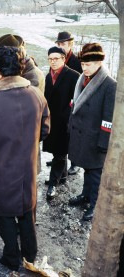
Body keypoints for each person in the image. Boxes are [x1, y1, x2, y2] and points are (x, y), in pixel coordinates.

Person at [0, 46, 50, 271]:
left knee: (2, 212)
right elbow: (45, 129)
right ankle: (30, 254)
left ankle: (11, 256)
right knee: (26, 210)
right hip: (27, 167)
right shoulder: (36, 94)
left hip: (0, 169)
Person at [0, 34, 45, 220]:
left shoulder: (32, 75)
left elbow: (33, 119)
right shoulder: (11, 69)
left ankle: (25, 225)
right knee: (5, 187)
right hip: (7, 145)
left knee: (25, 193)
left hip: (22, 145)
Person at [68, 43, 116, 220]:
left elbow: (108, 118)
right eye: (83, 64)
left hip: (96, 138)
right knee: (87, 170)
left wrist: (103, 143)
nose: (85, 68)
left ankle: (95, 205)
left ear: (99, 63)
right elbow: (75, 105)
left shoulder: (109, 85)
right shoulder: (82, 79)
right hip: (83, 135)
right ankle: (85, 195)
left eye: (89, 64)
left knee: (96, 174)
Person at [43, 46, 80, 200]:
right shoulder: (47, 76)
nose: (53, 62)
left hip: (65, 121)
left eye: (56, 58)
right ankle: (62, 176)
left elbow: (77, 100)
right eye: (50, 59)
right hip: (52, 120)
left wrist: (70, 117)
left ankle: (53, 183)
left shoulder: (74, 76)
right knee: (57, 151)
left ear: (64, 59)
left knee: (60, 152)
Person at [46, 31, 83, 175]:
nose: (61, 45)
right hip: (59, 105)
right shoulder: (55, 58)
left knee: (71, 136)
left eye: (63, 44)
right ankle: (59, 159)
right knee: (60, 137)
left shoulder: (76, 62)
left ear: (70, 44)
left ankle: (75, 162)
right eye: (59, 43)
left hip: (71, 103)